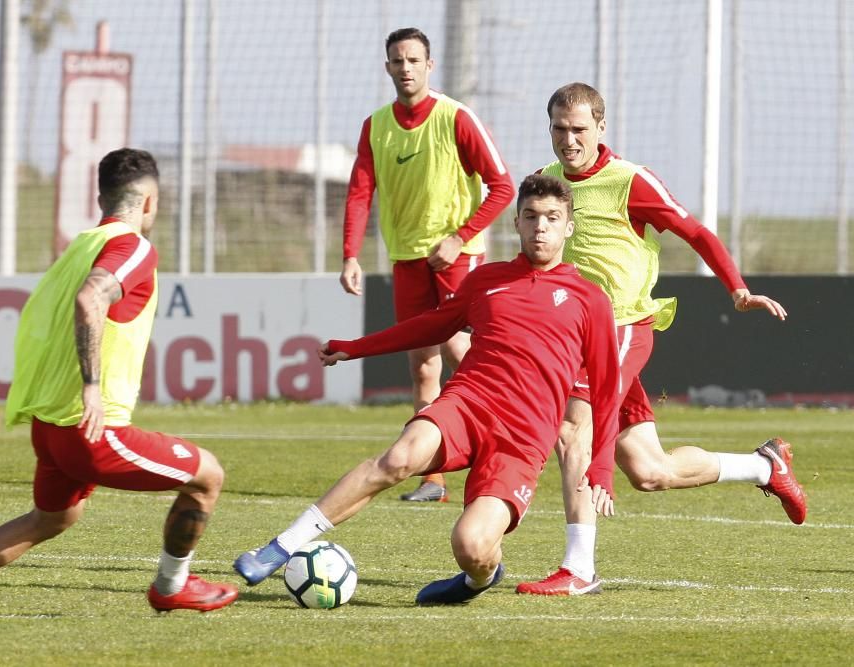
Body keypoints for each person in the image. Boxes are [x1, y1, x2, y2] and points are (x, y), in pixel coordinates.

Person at [234, 174, 620, 604]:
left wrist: (601, 467)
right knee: (399, 457)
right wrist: (356, 348)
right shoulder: (485, 280)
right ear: (516, 222)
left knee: (472, 547)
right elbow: (430, 326)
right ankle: (281, 547)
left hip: (522, 440)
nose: (540, 227)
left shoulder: (590, 300)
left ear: (569, 226)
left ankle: (478, 579)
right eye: (530, 216)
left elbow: (606, 391)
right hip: (468, 404)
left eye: (552, 217)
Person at [0, 148, 238, 615]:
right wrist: (92, 386)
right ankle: (171, 585)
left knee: (52, 517)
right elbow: (92, 300)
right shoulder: (134, 247)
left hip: (50, 426)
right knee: (207, 476)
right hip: (89, 426)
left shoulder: (81, 246)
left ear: (101, 196)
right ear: (149, 202)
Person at [515, 82, 805, 597]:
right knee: (650, 472)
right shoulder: (546, 184)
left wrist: (737, 290)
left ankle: (579, 568)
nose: (569, 139)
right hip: (573, 339)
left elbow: (696, 232)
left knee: (571, 430)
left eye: (579, 129)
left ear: (601, 127)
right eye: (560, 128)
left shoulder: (631, 181)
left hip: (622, 330)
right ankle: (764, 466)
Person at [341, 27, 515, 502]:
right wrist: (350, 254)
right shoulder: (375, 125)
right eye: (397, 61)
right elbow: (360, 192)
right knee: (421, 368)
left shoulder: (457, 118)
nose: (405, 68)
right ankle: (432, 477)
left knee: (465, 355)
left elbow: (503, 187)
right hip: (407, 260)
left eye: (414, 60)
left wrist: (460, 238)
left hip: (458, 259)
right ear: (387, 67)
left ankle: (508, 451)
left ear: (429, 65)